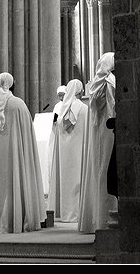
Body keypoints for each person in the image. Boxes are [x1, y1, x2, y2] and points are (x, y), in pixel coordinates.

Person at [0, 72, 46, 234]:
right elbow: (28, 134)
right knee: (13, 181)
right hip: (14, 158)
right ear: (11, 84)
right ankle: (15, 219)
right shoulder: (17, 104)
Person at [78, 52, 117, 233]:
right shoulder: (109, 82)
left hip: (99, 131)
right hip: (109, 130)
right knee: (107, 167)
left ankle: (98, 216)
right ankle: (108, 215)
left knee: (100, 169)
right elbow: (113, 108)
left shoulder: (95, 83)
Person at [47, 78, 88, 223]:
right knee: (77, 178)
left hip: (64, 155)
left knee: (65, 179)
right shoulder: (83, 109)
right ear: (80, 91)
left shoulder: (61, 110)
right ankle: (76, 212)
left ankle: (62, 212)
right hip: (79, 152)